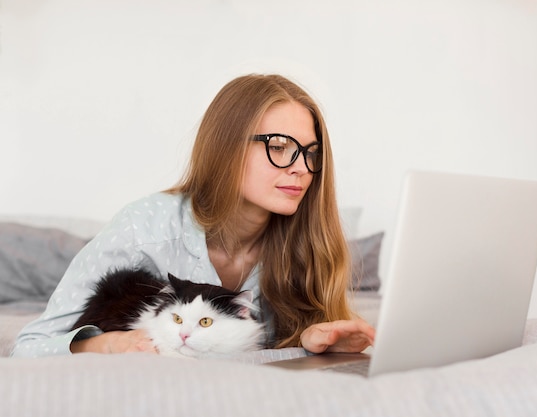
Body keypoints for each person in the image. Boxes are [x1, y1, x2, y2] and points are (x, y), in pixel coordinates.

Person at [11, 74, 375, 357]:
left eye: (311, 153)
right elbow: (29, 346)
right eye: (280, 147)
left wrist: (310, 340)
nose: (301, 169)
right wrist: (106, 345)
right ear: (225, 149)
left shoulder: (309, 241)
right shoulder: (143, 228)